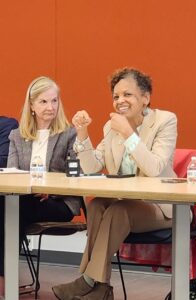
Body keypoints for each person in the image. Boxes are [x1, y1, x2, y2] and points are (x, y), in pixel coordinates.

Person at [52, 67, 177, 300]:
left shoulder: (164, 121)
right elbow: (91, 167)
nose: (120, 101)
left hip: (164, 207)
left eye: (127, 95)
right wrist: (82, 134)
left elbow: (154, 168)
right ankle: (101, 288)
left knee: (118, 211)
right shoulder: (112, 127)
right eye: (116, 96)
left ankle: (88, 281)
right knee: (97, 204)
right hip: (129, 204)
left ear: (145, 98)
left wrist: (129, 133)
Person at [0, 76, 82, 297]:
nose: (50, 107)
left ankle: (3, 278)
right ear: (32, 106)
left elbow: (76, 175)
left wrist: (51, 190)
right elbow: (11, 176)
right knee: (8, 206)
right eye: (44, 102)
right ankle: (4, 277)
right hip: (27, 199)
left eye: (54, 101)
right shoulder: (16, 136)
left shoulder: (69, 134)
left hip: (58, 202)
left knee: (10, 209)